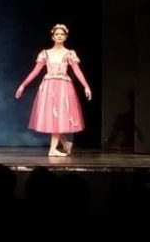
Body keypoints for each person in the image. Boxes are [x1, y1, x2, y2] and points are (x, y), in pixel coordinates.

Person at [15, 24, 92, 156]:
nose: (59, 36)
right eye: (57, 34)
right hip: (49, 87)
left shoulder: (69, 53)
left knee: (60, 115)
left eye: (62, 34)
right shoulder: (45, 53)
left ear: (66, 37)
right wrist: (23, 85)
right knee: (53, 116)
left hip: (63, 88)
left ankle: (53, 149)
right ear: (53, 36)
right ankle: (64, 144)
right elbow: (35, 71)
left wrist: (86, 86)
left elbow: (77, 71)